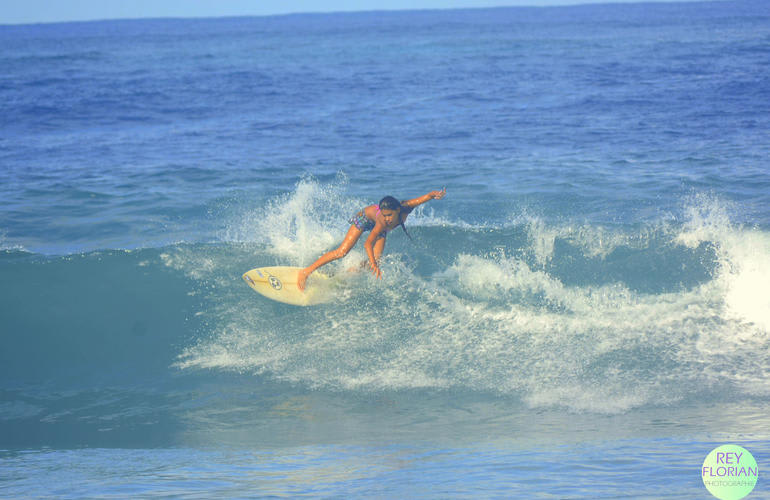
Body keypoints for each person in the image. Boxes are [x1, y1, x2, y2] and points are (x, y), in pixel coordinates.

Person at [297, 188, 446, 290]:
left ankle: (344, 274)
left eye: (389, 215)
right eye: (384, 215)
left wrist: (434, 195)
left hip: (381, 229)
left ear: (398, 210)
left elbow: (424, 198)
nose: (387, 218)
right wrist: (373, 263)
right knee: (342, 252)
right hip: (364, 218)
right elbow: (368, 243)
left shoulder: (405, 207)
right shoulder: (382, 222)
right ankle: (306, 272)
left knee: (374, 262)